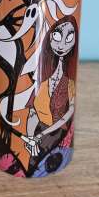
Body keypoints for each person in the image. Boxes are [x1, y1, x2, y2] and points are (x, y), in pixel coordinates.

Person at [23, 15, 78, 157]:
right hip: (38, 136)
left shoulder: (70, 83)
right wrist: (30, 138)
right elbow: (33, 113)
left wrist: (40, 136)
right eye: (57, 36)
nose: (61, 45)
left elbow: (68, 114)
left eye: (69, 38)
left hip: (59, 137)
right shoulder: (41, 81)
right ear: (49, 37)